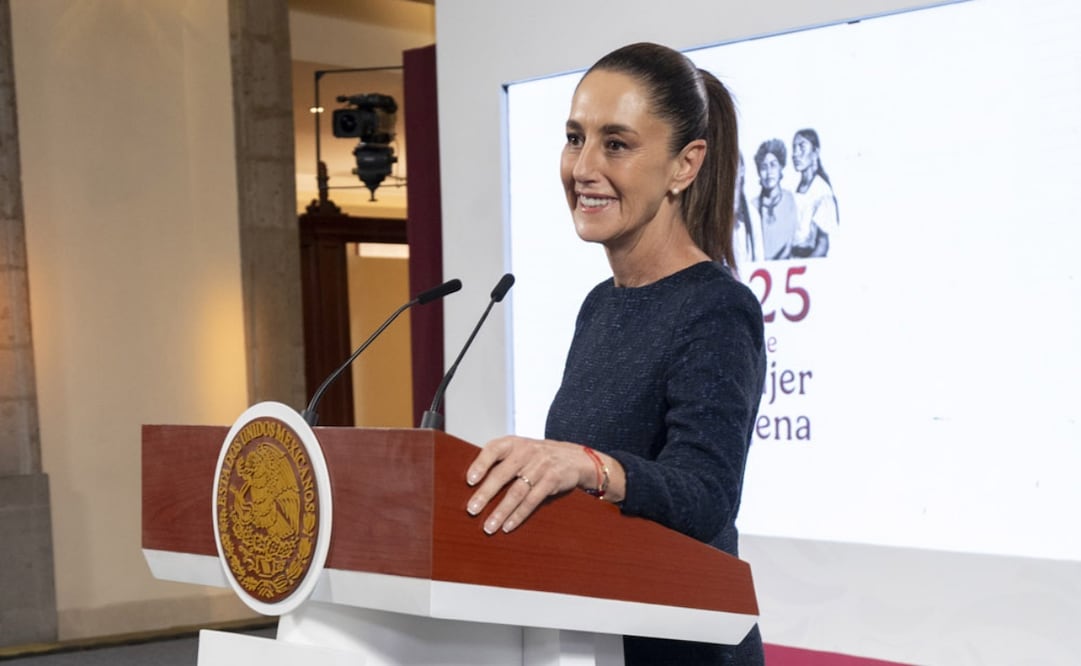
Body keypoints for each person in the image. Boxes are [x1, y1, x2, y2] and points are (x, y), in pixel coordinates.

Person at [465, 42, 766, 665]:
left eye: (617, 144)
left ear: (685, 166)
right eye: (575, 138)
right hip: (591, 640)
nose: (583, 166)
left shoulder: (716, 307)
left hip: (683, 648)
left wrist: (589, 467)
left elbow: (707, 492)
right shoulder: (601, 304)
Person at [790, 128, 838, 257]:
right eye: (794, 148)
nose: (795, 154)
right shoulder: (798, 189)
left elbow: (823, 244)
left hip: (808, 261)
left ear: (815, 152)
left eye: (801, 147)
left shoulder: (821, 191)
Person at [752, 138, 798, 260]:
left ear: (781, 167)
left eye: (773, 165)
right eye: (764, 167)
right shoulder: (753, 207)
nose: (769, 172)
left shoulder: (791, 200)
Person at [733, 152, 764, 267]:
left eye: (734, 164)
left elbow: (759, 258)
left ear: (742, 169)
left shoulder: (752, 214)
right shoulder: (712, 214)